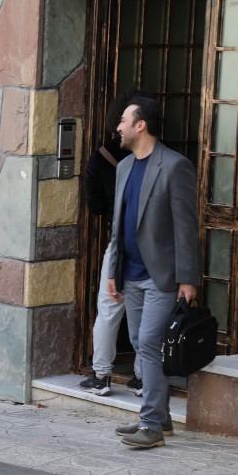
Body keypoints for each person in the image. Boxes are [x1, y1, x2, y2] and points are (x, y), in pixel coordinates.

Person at [106, 96, 200, 450]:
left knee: (148, 343)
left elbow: (186, 227)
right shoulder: (124, 167)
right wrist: (113, 270)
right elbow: (117, 226)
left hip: (162, 276)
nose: (118, 127)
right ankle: (160, 417)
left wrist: (188, 278)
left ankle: (150, 425)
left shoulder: (175, 167)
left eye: (123, 120)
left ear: (140, 125)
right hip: (130, 274)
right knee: (138, 342)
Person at [79, 94, 137, 397]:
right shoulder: (160, 157)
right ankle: (143, 378)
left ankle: (101, 375)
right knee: (145, 316)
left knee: (109, 310)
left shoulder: (100, 158)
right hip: (151, 247)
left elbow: (96, 206)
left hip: (119, 243)